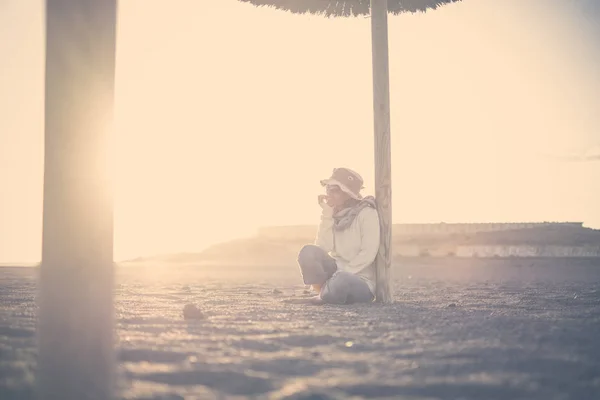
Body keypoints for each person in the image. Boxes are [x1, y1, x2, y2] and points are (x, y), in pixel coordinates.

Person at [297, 168, 381, 304]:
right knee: (308, 252)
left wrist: (341, 273)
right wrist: (326, 213)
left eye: (335, 189)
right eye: (328, 188)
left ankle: (326, 295)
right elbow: (323, 246)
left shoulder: (367, 213)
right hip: (337, 272)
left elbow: (368, 252)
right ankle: (325, 294)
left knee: (341, 280)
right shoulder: (334, 214)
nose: (329, 193)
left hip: (360, 280)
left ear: (348, 194)